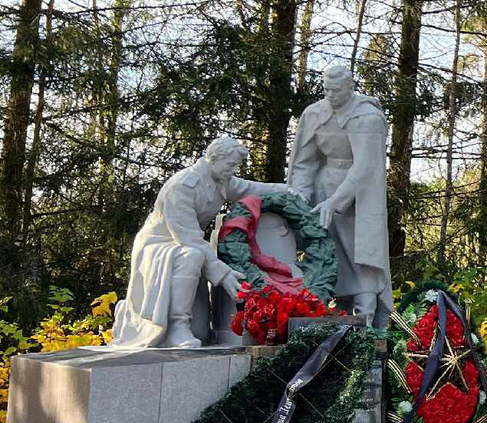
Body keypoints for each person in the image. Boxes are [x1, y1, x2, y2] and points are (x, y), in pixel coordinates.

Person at [111, 136, 284, 349]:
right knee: (193, 255)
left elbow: (249, 188)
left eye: (236, 165)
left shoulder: (220, 179)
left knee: (201, 332)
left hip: (188, 245)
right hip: (159, 244)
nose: (234, 170)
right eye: (231, 164)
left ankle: (179, 323)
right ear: (214, 158)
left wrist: (289, 190)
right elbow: (189, 237)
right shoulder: (183, 186)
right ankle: (177, 325)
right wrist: (224, 274)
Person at [289, 63, 392, 328]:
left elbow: (365, 166)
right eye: (327, 90)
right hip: (323, 186)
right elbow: (304, 161)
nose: (331, 95)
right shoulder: (314, 114)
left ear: (349, 88)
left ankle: (366, 322)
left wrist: (335, 202)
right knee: (328, 250)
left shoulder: (367, 117)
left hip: (360, 195)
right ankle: (337, 311)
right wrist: (300, 196)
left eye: (337, 90)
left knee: (361, 254)